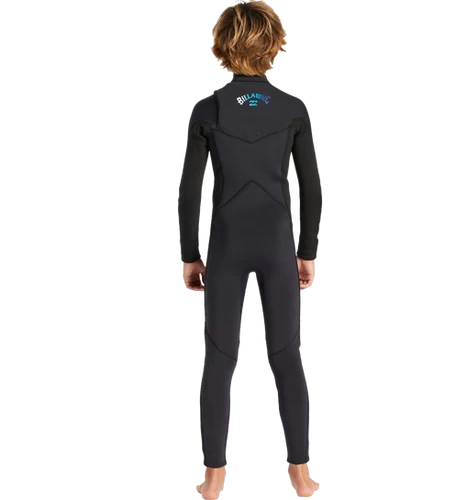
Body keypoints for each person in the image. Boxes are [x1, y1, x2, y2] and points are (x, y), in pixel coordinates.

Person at [177, 1, 323, 498]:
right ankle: (300, 475)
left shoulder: (208, 109)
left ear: (221, 44)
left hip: (226, 245)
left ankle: (214, 478)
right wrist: (306, 250)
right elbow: (311, 187)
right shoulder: (293, 109)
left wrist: (190, 254)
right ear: (275, 43)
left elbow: (190, 189)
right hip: (278, 243)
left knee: (219, 358)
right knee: (287, 356)